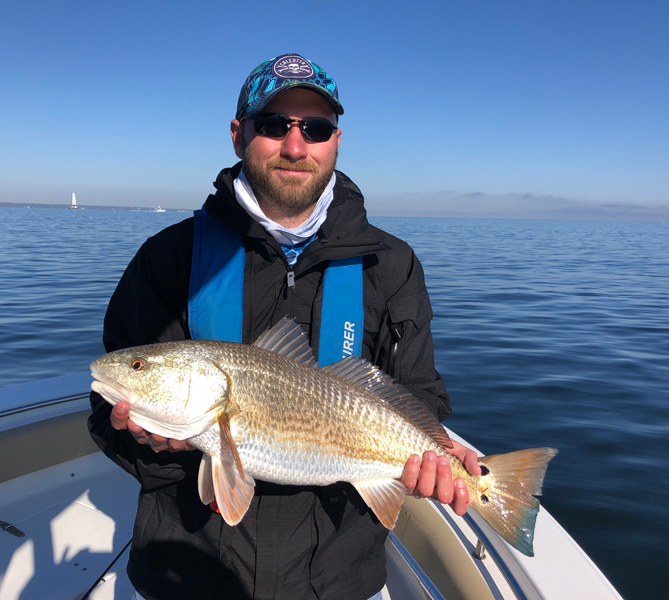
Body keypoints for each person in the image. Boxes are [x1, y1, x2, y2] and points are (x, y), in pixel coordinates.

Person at [88, 53, 481, 600]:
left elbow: (418, 393)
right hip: (189, 574)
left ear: (336, 140)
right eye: (274, 125)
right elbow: (106, 419)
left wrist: (438, 455)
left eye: (315, 128)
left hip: (337, 580)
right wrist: (156, 446)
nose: (295, 147)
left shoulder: (392, 265)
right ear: (237, 134)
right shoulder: (168, 258)